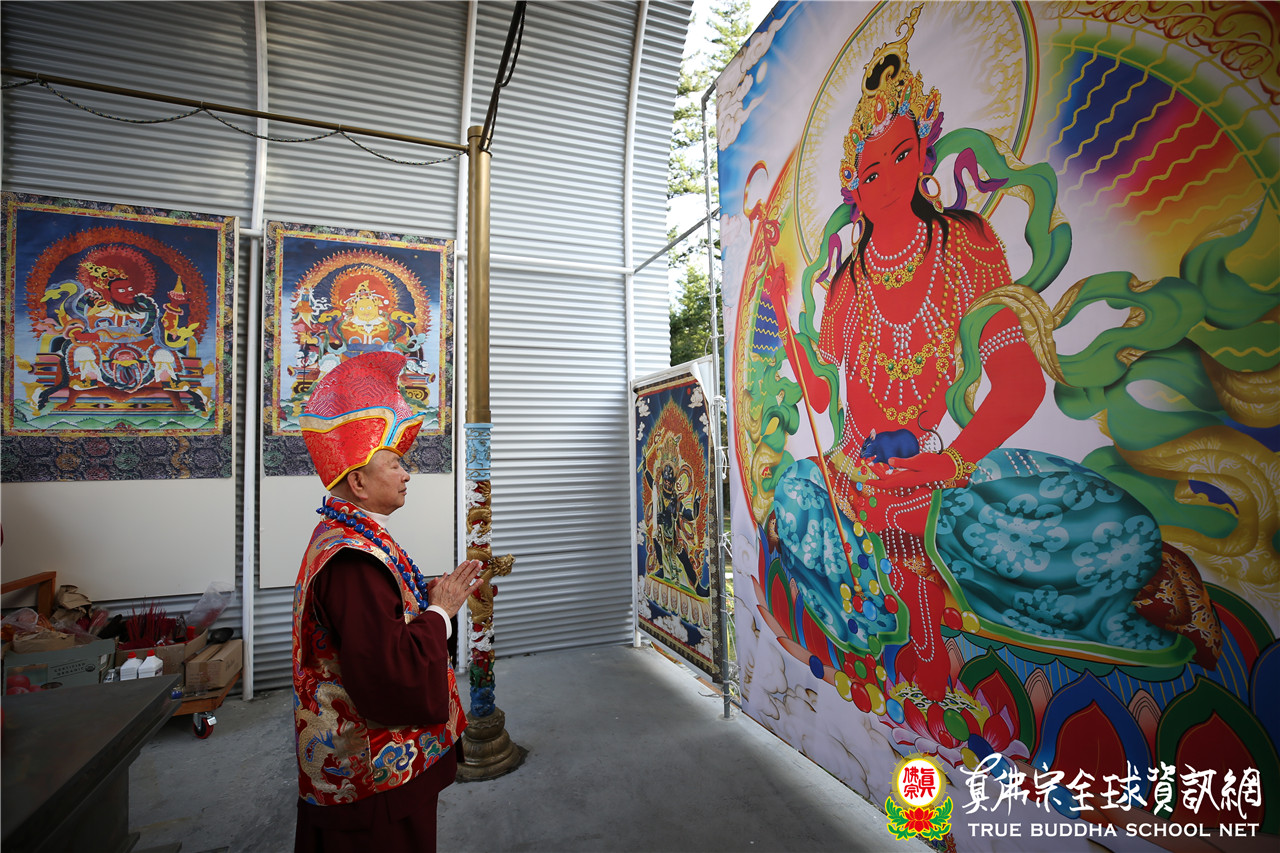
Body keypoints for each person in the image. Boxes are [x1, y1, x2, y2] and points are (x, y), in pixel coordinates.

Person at [766, 4, 1181, 704]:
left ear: (925, 158)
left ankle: (954, 610)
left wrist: (950, 461)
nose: (888, 177)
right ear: (853, 187)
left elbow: (1018, 386)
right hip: (857, 475)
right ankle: (883, 630)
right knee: (795, 497)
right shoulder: (846, 285)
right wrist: (787, 322)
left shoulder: (966, 246)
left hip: (946, 472)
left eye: (902, 155)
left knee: (1116, 532)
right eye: (870, 169)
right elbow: (822, 395)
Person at [292, 350, 483, 853]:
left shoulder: (349, 537)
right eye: (395, 463)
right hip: (370, 772)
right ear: (358, 481)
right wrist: (440, 611)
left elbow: (384, 617)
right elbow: (388, 668)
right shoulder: (352, 560)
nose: (406, 474)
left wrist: (425, 598)